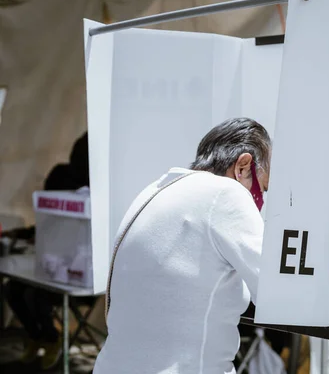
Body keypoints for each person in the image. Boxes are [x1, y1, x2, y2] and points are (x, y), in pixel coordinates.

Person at [93, 118, 271, 374]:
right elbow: (273, 290)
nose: (260, 199)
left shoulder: (154, 189)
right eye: (262, 188)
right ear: (243, 166)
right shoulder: (227, 194)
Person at [4, 132, 89, 370]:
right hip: (54, 256)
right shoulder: (62, 175)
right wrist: (27, 233)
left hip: (80, 268)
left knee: (35, 295)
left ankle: (51, 339)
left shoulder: (98, 187)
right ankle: (37, 336)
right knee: (13, 289)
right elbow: (49, 220)